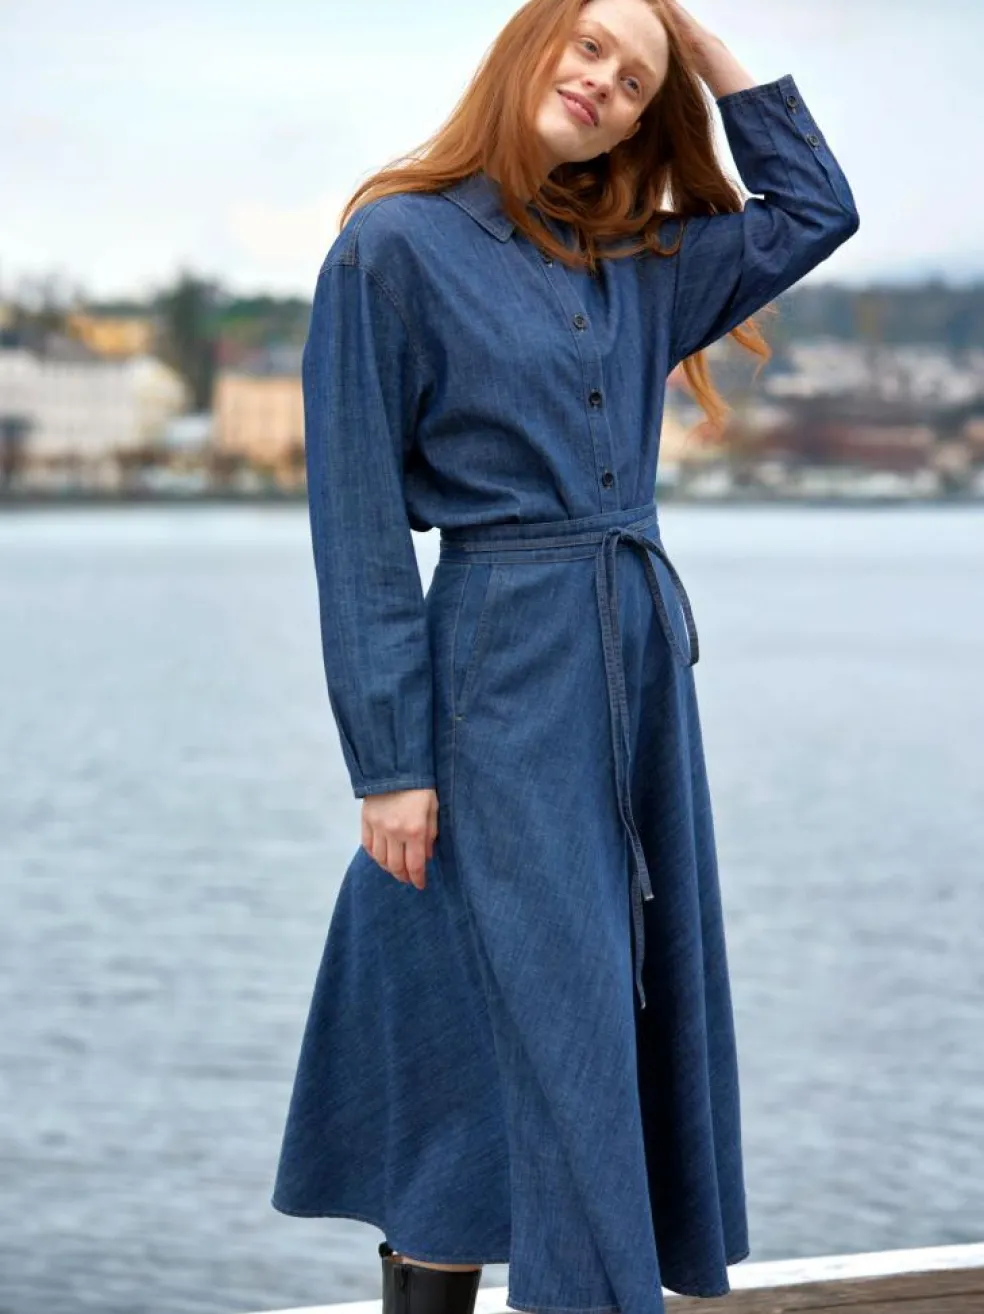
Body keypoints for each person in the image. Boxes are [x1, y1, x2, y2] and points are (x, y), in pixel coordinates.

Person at [271, 1, 859, 1312]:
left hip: (636, 672)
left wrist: (702, 52)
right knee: (520, 1010)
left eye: (636, 80)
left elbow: (818, 209)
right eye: (590, 46)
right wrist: (389, 764)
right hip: (498, 669)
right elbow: (355, 529)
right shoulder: (391, 249)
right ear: (528, 43)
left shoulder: (644, 259)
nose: (606, 82)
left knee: (597, 1003)